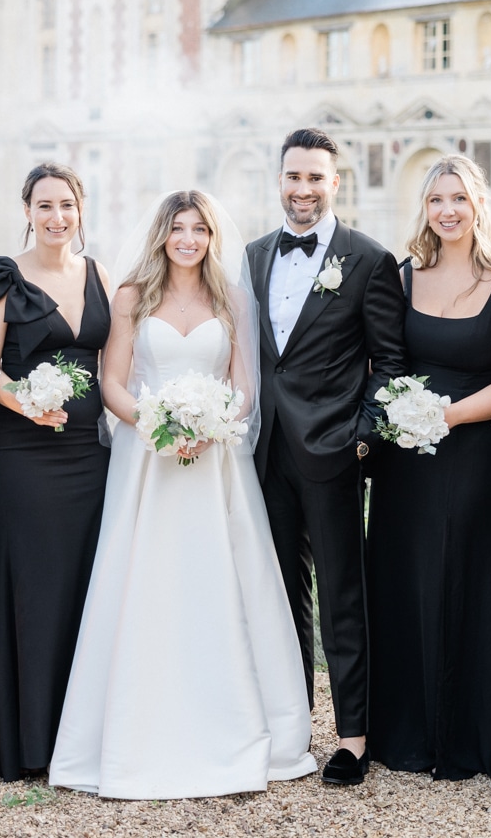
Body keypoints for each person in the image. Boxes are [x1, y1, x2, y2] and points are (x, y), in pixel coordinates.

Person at [48, 190, 316, 799]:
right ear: (162, 235)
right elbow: (112, 383)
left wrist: (212, 424)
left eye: (199, 229)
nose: (189, 239)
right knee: (146, 579)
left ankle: (239, 726)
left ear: (212, 238)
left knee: (221, 580)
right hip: (149, 461)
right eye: (178, 229)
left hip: (216, 461)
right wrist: (157, 425)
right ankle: (135, 731)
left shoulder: (233, 299)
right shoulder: (132, 297)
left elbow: (244, 388)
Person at [246, 127, 409, 786]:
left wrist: (361, 438)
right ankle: (289, 732)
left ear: (335, 183)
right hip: (262, 455)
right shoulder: (251, 256)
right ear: (279, 179)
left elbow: (390, 364)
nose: (303, 189)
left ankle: (352, 739)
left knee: (343, 597)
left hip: (333, 452)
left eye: (315, 177)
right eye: (294, 176)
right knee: (278, 596)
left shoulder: (368, 260)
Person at [365, 155, 491, 783]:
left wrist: (450, 415)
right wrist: (399, 416)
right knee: (403, 579)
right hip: (404, 458)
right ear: (425, 208)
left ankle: (468, 734)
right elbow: (383, 362)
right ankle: (404, 732)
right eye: (436, 199)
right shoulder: (403, 275)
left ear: (479, 204)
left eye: (459, 198)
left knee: (466, 579)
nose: (447, 210)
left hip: (470, 453)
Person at [0, 163, 112, 782]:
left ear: (81, 210)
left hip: (91, 453)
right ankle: (29, 739)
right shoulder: (3, 277)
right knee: (37, 580)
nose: (58, 217)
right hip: (25, 453)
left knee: (88, 579)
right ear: (27, 211)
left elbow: (118, 364)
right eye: (46, 206)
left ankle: (80, 736)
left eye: (67, 205)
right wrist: (22, 402)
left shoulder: (100, 273)